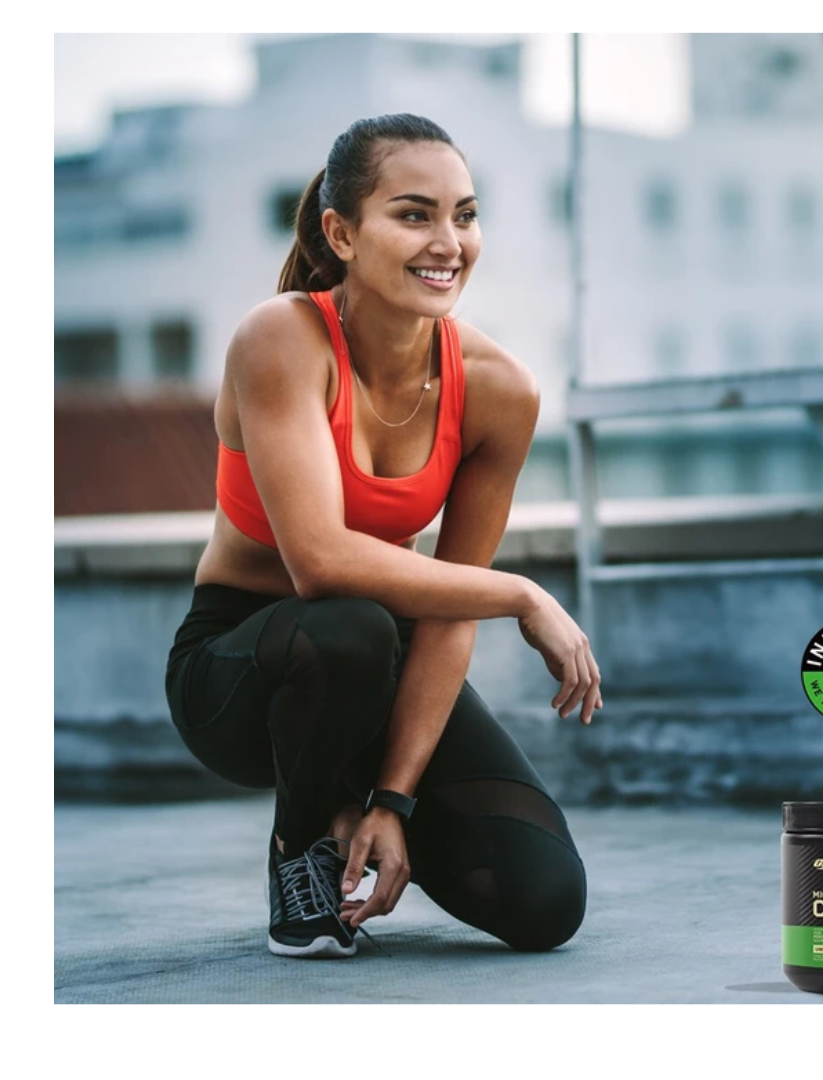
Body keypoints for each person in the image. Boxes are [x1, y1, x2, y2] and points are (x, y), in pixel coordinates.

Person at [164, 114, 601, 960]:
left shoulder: (498, 390)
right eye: (413, 214)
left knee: (544, 901)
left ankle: (354, 802)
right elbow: (320, 563)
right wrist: (523, 593)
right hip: (244, 669)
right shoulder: (281, 339)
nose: (448, 243)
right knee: (353, 625)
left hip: (383, 660)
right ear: (342, 232)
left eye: (465, 216)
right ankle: (300, 849)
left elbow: (443, 614)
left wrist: (394, 801)